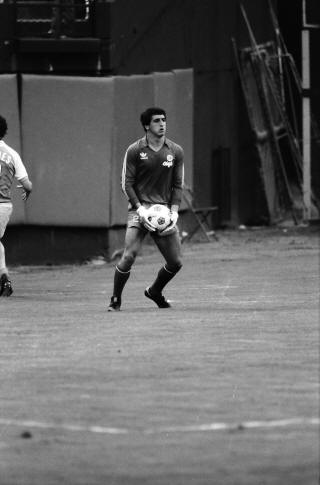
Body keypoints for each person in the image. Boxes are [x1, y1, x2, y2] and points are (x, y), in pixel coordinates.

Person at [108, 107, 184, 311]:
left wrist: (174, 211)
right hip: (139, 212)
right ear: (146, 126)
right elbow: (126, 183)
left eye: (164, 120)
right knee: (129, 255)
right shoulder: (135, 150)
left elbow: (178, 185)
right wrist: (140, 209)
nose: (162, 124)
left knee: (175, 262)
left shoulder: (175, 151)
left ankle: (154, 291)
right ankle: (115, 300)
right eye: (157, 121)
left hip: (163, 213)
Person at [0, 115, 32, 296]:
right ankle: (4, 277)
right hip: (3, 206)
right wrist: (27, 191)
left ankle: (4, 278)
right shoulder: (11, 153)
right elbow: (27, 184)